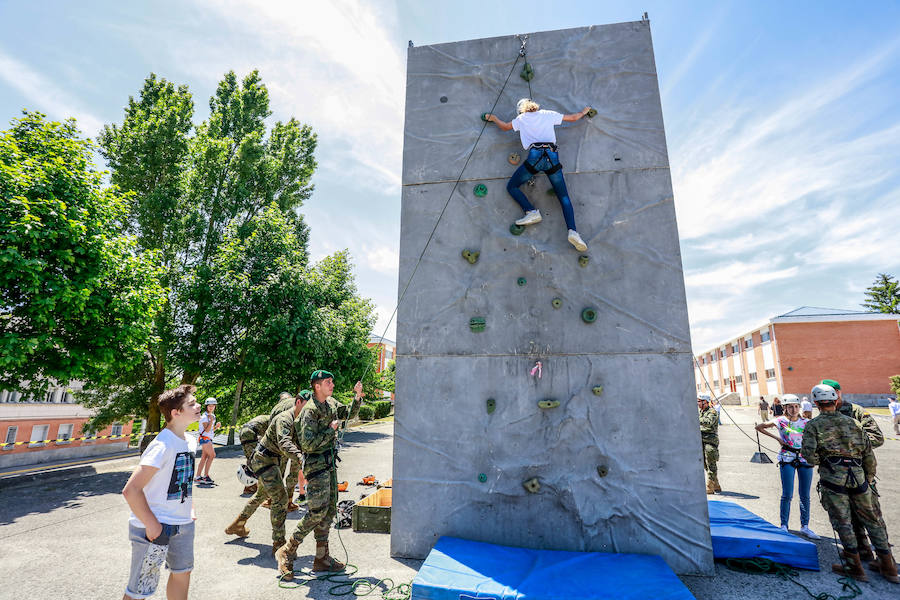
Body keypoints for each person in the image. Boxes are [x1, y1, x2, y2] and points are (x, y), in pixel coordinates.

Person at [801, 384, 898, 584]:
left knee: (843, 523)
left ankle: (855, 567)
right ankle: (888, 567)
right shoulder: (854, 424)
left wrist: (826, 461)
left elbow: (809, 456)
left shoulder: (814, 425)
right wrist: (868, 478)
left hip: (833, 481)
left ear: (817, 403)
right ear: (835, 401)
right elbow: (869, 456)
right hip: (860, 479)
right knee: (873, 521)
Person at [276, 371, 364, 580]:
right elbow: (307, 444)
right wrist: (330, 430)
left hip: (329, 464)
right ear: (317, 386)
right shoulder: (310, 411)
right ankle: (287, 550)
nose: (332, 384)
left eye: (331, 381)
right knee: (316, 512)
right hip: (315, 467)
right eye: (328, 382)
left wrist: (357, 397)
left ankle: (322, 558)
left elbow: (348, 413)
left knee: (330, 509)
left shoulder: (330, 403)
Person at [121, 385, 201, 600]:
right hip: (156, 527)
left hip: (183, 524)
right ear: (176, 413)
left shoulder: (190, 441)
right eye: (191, 404)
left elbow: (183, 480)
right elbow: (131, 490)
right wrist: (151, 524)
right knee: (141, 587)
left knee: (183, 572)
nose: (198, 406)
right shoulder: (162, 445)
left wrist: (189, 509)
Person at [484, 99, 592, 252]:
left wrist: (494, 118)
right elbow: (573, 118)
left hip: (535, 157)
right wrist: (584, 111)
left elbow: (505, 127)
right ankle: (573, 232)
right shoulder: (547, 114)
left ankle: (532, 211)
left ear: (521, 110)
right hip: (552, 157)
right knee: (563, 197)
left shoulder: (521, 119)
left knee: (512, 186)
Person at [225, 390, 311, 555]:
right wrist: (301, 457)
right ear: (297, 402)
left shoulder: (294, 414)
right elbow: (286, 446)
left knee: (262, 494)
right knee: (280, 497)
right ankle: (278, 544)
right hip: (269, 456)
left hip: (271, 456)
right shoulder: (286, 416)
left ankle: (238, 524)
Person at [822, 378, 885, 562]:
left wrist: (849, 446)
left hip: (860, 471)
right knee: (846, 515)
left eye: (834, 392)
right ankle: (862, 550)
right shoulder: (824, 414)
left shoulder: (855, 411)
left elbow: (877, 437)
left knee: (870, 514)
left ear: (839, 392)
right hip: (835, 474)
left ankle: (884, 561)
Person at [755, 394, 817, 538]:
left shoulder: (807, 422)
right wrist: (777, 438)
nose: (794, 409)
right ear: (785, 408)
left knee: (805, 495)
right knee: (787, 494)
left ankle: (805, 526)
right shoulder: (780, 421)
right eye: (790, 407)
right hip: (787, 458)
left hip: (804, 459)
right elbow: (759, 427)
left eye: (796, 406)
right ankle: (784, 525)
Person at [266, 391, 306, 512]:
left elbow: (271, 427)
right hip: (296, 443)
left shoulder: (276, 409)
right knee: (294, 472)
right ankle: (288, 502)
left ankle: (272, 500)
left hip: (280, 443)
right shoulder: (299, 404)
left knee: (279, 471)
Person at [237, 413, 270, 495]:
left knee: (251, 460)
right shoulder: (277, 420)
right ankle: (251, 487)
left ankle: (250, 486)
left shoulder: (268, 417)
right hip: (250, 433)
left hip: (244, 432)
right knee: (257, 462)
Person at [697, 395, 720, 494]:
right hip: (701, 439)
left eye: (699, 401)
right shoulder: (700, 412)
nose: (697, 403)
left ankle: (710, 486)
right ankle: (716, 484)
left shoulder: (712, 412)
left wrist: (695, 419)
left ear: (705, 402)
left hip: (710, 441)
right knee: (705, 464)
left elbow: (708, 422)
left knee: (711, 463)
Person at [196, 397, 221, 484]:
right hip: (205, 439)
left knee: (204, 457)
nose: (211, 407)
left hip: (207, 438)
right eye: (209, 406)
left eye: (213, 406)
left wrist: (216, 427)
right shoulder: (204, 417)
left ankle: (198, 476)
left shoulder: (212, 416)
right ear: (206, 406)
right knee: (212, 455)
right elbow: (206, 430)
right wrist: (210, 421)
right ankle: (206, 476)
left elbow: (210, 430)